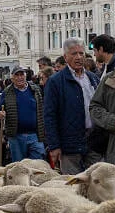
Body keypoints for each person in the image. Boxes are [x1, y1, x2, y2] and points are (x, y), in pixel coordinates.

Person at [43, 37, 100, 174]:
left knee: (97, 182)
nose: (79, 57)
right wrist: (54, 146)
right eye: (74, 54)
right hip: (69, 145)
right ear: (65, 56)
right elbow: (50, 115)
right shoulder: (55, 82)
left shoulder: (93, 78)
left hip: (94, 142)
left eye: (81, 53)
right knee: (72, 183)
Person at [0, 65, 45, 162]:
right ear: (12, 78)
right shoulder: (7, 92)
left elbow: (41, 109)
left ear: (25, 76)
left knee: (38, 164)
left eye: (21, 75)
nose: (19, 77)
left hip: (35, 135)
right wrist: (0, 114)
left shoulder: (35, 90)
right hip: (16, 137)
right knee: (19, 166)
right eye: (17, 75)